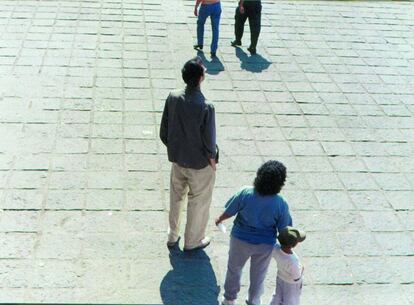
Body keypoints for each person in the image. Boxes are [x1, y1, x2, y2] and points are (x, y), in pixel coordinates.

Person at [160, 56, 217, 252]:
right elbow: (209, 141)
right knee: (198, 202)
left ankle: (172, 233)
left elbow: (164, 131)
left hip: (178, 160)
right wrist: (212, 160)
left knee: (176, 198)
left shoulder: (173, 97)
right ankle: (193, 240)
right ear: (201, 78)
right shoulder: (206, 106)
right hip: (199, 163)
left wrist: (175, 149)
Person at [216, 160, 292, 305]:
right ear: (280, 183)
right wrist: (287, 248)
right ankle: (254, 300)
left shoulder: (246, 193)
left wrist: (219, 219)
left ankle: (229, 299)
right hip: (264, 245)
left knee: (234, 269)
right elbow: (284, 230)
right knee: (258, 275)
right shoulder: (280, 203)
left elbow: (229, 211)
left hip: (239, 240)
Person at [270, 226, 306, 305]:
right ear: (294, 244)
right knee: (291, 300)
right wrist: (302, 270)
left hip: (280, 277)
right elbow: (296, 277)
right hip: (291, 284)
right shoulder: (293, 261)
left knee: (278, 295)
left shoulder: (275, 248)